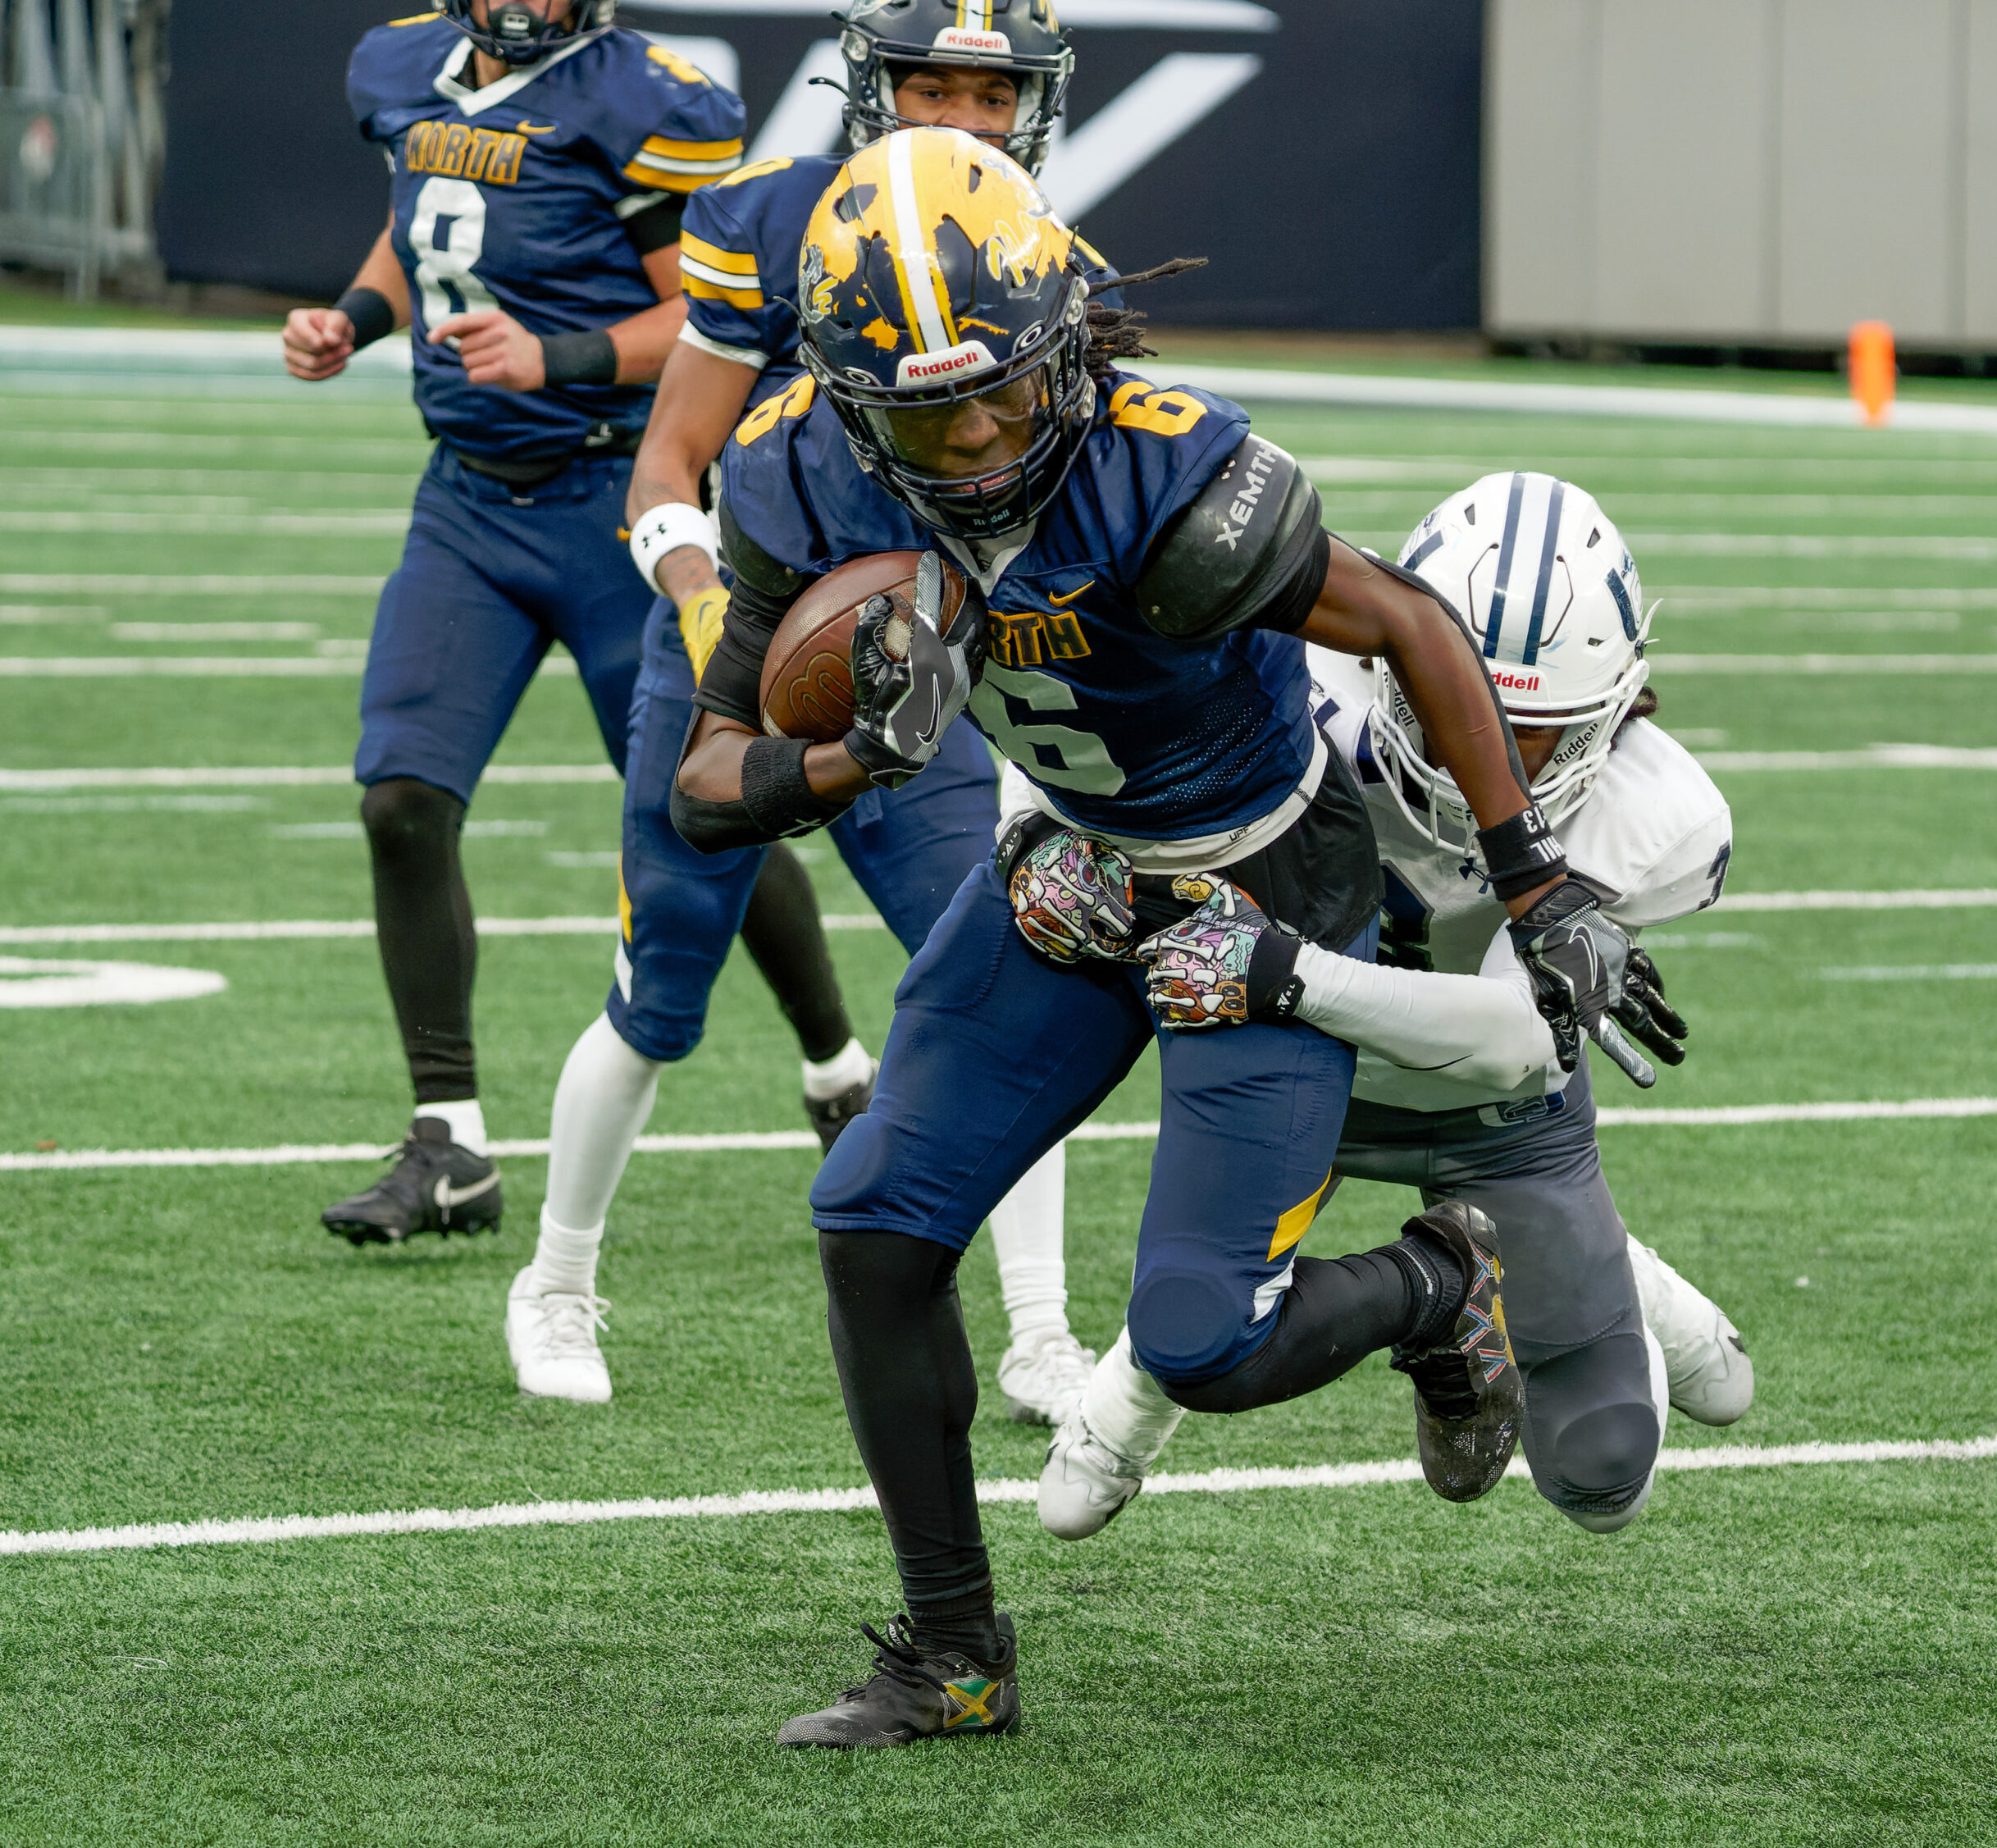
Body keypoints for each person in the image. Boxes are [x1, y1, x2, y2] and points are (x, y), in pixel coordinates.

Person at [670, 129, 1640, 1747]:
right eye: (926, 408)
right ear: (849, 398)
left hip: (1261, 880)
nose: (975, 435)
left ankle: (1431, 1280)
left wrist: (1531, 880)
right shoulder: (794, 472)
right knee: (871, 1222)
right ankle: (953, 1652)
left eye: (997, 388)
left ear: (1058, 338)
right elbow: (708, 779)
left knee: (1201, 1336)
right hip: (1064, 874)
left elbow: (1406, 617)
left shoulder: (1163, 467)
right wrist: (857, 757)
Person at [509, 0, 1108, 1417]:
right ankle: (556, 1278)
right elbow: (668, 470)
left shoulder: (1047, 257)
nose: (962, 117)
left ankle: (1039, 1326)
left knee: (1013, 977)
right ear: (871, 86)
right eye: (931, 84)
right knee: (659, 996)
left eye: (989, 91)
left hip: (937, 666)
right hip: (745, 644)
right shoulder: (771, 221)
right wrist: (728, 621)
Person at [1038, 473, 1755, 1542]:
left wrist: (1282, 969)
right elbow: (1072, 703)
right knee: (1089, 1477)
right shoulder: (1296, 690)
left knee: (1606, 1471)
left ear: (1610, 714)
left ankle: (1596, 1264)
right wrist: (1037, 839)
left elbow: (1511, 1048)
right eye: (1458, 702)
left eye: (1535, 731)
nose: (1487, 755)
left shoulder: (1655, 819)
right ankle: (1140, 1388)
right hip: (1297, 1078)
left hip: (1493, 1113)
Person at [284, 0, 746, 1245]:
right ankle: (450, 1144)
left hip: (616, 497)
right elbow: (416, 226)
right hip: (469, 503)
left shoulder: (644, 100)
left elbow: (711, 321)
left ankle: (832, 1064)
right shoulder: (402, 65)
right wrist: (355, 318)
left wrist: (559, 355)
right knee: (402, 798)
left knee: (706, 805)